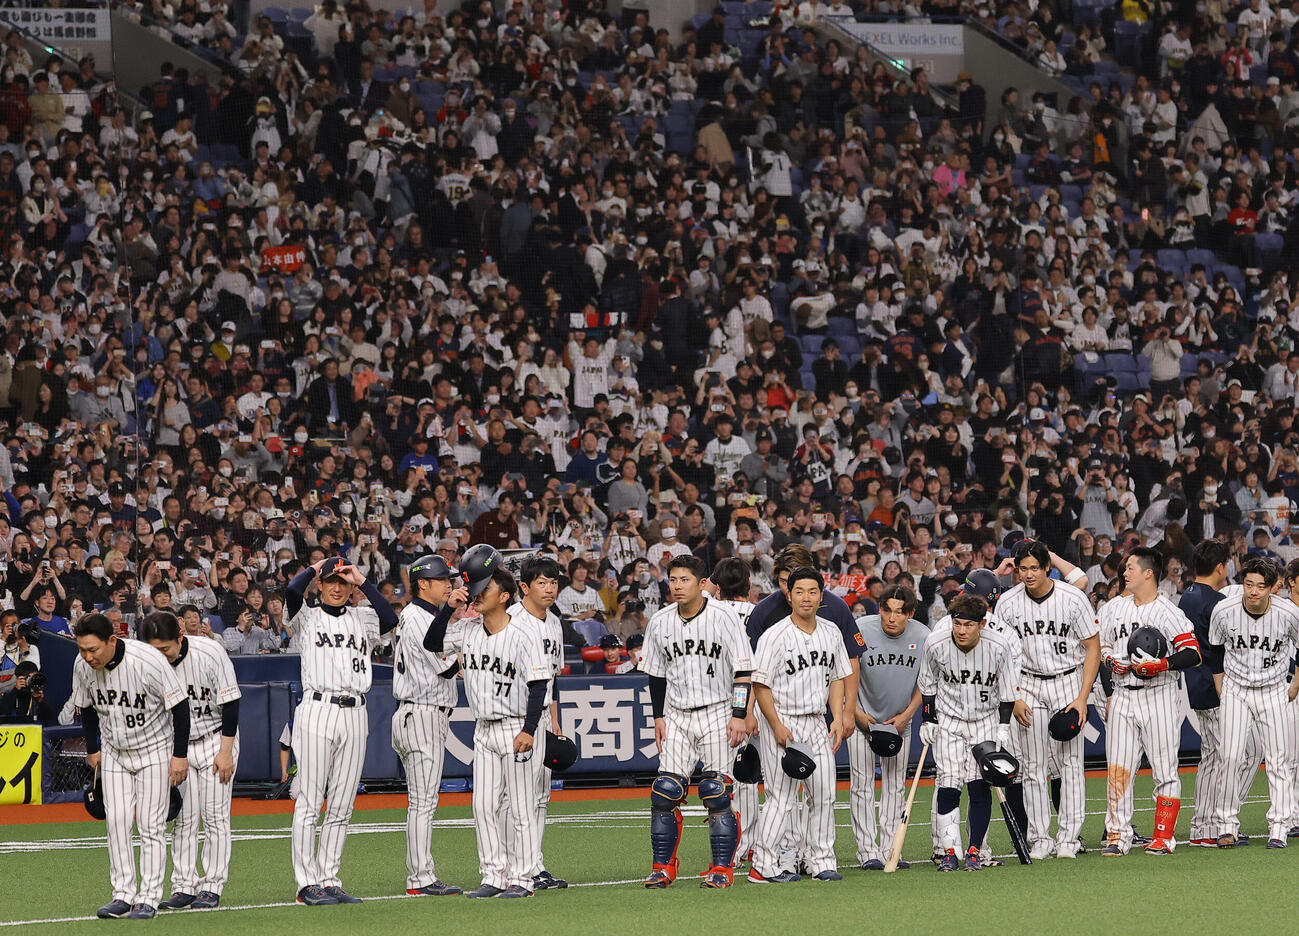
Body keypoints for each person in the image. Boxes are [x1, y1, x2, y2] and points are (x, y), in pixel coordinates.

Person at [421, 546, 549, 898]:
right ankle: (494, 876)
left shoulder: (525, 634)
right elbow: (431, 643)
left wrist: (529, 730)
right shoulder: (468, 629)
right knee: (483, 806)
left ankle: (522, 879)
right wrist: (448, 608)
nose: (476, 596)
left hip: (516, 726)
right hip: (484, 730)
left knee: (521, 808)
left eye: (485, 590)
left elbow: (539, 686)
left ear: (504, 596)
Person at [285, 556, 398, 906]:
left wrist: (362, 581)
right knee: (310, 801)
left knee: (342, 802)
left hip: (355, 712)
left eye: (343, 582)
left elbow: (390, 618)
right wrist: (314, 568)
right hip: (318, 708)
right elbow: (292, 591)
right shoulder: (306, 617)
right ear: (320, 585)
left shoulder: (362, 617)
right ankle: (307, 883)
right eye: (331, 581)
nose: (337, 588)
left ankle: (329, 878)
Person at [640, 554, 753, 889]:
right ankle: (662, 867)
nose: (677, 586)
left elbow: (743, 671)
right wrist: (658, 716)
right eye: (673, 579)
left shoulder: (724, 616)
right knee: (664, 792)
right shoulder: (660, 621)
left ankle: (721, 868)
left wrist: (738, 715)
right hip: (675, 714)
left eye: (685, 579)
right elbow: (656, 675)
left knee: (717, 792)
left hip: (718, 711)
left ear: (702, 583)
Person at [72, 612, 190, 920]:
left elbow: (180, 707)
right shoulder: (81, 665)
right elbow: (86, 708)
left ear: (112, 640)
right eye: (82, 649)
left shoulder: (148, 661)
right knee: (117, 821)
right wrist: (93, 748)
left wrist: (179, 755)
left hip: (154, 749)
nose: (87, 656)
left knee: (150, 825)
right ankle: (123, 894)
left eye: (93, 649)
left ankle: (148, 897)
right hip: (114, 751)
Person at [994, 540, 1100, 860]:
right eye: (1023, 568)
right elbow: (1001, 655)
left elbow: (1093, 648)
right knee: (1033, 766)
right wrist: (1013, 696)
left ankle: (1069, 838)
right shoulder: (1008, 603)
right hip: (1027, 683)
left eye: (1034, 568)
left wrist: (1082, 698)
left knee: (1070, 764)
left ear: (1047, 568)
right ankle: (1040, 837)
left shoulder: (1073, 598)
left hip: (1067, 682)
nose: (1028, 574)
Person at [749, 567, 851, 883]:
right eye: (799, 591)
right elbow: (760, 685)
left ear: (821, 596)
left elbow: (837, 677)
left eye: (812, 591)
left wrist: (837, 717)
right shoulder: (774, 635)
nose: (806, 597)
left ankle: (821, 860)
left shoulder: (831, 631)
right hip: (783, 721)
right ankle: (763, 866)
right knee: (781, 798)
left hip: (817, 722)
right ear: (789, 596)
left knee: (823, 794)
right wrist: (776, 725)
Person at [1098, 547, 1202, 856]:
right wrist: (1109, 660)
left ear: (1148, 573)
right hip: (1122, 694)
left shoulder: (1168, 611)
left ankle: (1163, 837)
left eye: (1130, 567)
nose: (1124, 572)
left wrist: (1162, 664)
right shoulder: (1113, 608)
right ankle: (1117, 835)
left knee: (1165, 770)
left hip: (1159, 695)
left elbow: (1193, 654)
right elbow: (1101, 645)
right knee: (1118, 769)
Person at [139, 611, 241, 911]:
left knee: (214, 816)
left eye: (164, 649)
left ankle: (212, 885)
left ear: (180, 637)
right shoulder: (147, 663)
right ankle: (184, 885)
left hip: (215, 738)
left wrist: (225, 752)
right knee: (183, 819)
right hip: (178, 747)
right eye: (153, 649)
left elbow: (231, 703)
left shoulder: (209, 652)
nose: (160, 655)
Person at [918, 593, 1020, 871]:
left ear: (981, 624)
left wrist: (1003, 726)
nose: (961, 630)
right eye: (957, 623)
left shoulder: (999, 646)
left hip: (984, 720)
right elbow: (927, 684)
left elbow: (1008, 692)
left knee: (978, 784)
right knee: (948, 783)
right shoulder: (935, 643)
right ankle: (950, 851)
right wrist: (928, 719)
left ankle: (975, 851)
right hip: (949, 721)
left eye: (968, 625)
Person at [1207, 557, 1299, 849]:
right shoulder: (1224, 610)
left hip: (1273, 689)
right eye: (1249, 584)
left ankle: (1279, 827)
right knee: (1230, 756)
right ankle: (1226, 825)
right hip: (1236, 689)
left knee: (1279, 760)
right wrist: (1221, 686)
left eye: (1260, 586)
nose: (1254, 591)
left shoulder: (1289, 612)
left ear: (1272, 587)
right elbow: (1215, 650)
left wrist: (1295, 684)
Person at [390, 553, 465, 898]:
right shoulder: (419, 616)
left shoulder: (421, 615)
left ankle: (420, 874)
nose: (449, 584)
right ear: (423, 583)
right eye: (442, 579)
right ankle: (420, 877)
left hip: (418, 713)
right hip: (422, 713)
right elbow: (447, 668)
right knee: (423, 802)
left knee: (421, 801)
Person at [1180, 540, 1260, 846]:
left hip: (1197, 683)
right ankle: (1215, 824)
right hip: (1217, 685)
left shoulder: (1187, 594)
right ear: (1219, 567)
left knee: (1213, 756)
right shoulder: (1215, 601)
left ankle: (1205, 826)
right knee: (1237, 754)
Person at [850, 585, 927, 870]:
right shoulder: (861, 629)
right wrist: (854, 712)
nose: (892, 618)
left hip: (899, 723)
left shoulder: (923, 636)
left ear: (910, 613)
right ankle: (867, 852)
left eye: (899, 612)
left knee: (895, 787)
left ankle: (891, 850)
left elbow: (926, 681)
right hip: (863, 720)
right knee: (861, 785)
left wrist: (907, 715)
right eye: (887, 611)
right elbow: (845, 673)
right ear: (879, 609)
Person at [507, 553, 569, 891]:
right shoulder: (511, 620)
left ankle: (534, 864)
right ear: (524, 586)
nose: (549, 589)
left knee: (540, 796)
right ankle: (514, 865)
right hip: (517, 715)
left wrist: (555, 721)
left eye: (553, 582)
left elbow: (552, 677)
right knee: (516, 798)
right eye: (542, 582)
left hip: (543, 716)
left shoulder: (554, 622)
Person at [707, 557, 760, 868]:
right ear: (748, 584)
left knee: (725, 777)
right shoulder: (759, 613)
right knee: (749, 775)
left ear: (717, 585)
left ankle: (736, 846)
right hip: (754, 701)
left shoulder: (709, 613)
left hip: (718, 701)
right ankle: (749, 844)